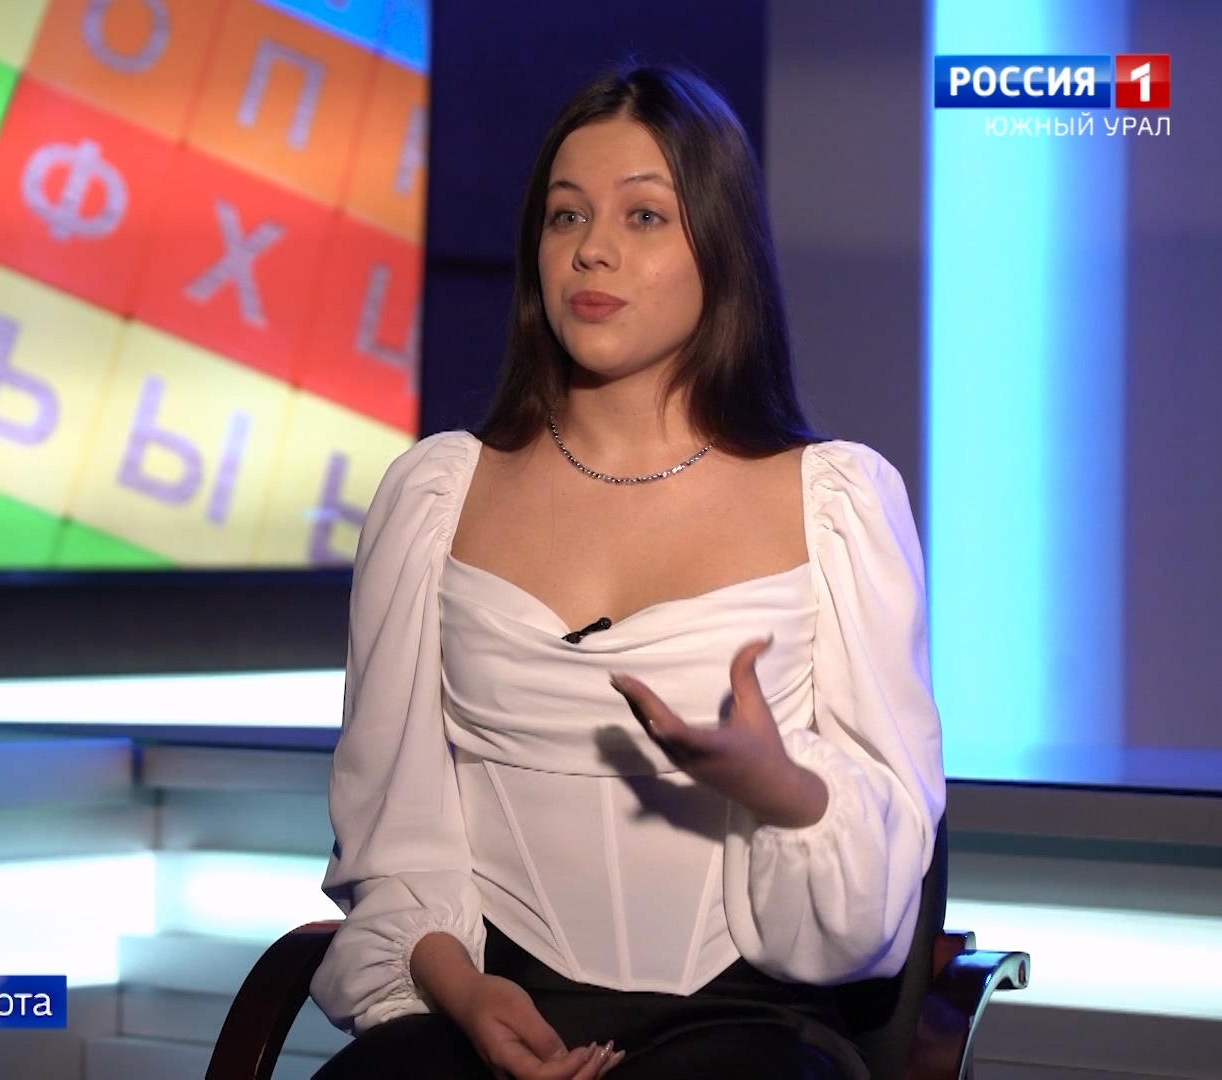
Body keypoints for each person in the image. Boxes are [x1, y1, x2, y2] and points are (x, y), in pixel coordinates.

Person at [305, 64, 946, 1080]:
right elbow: (392, 839)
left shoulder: (837, 501)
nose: (591, 248)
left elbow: (883, 884)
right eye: (566, 216)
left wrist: (779, 786)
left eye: (643, 215)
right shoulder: (434, 497)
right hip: (491, 1007)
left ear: (720, 247)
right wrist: (464, 994)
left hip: (744, 1023)